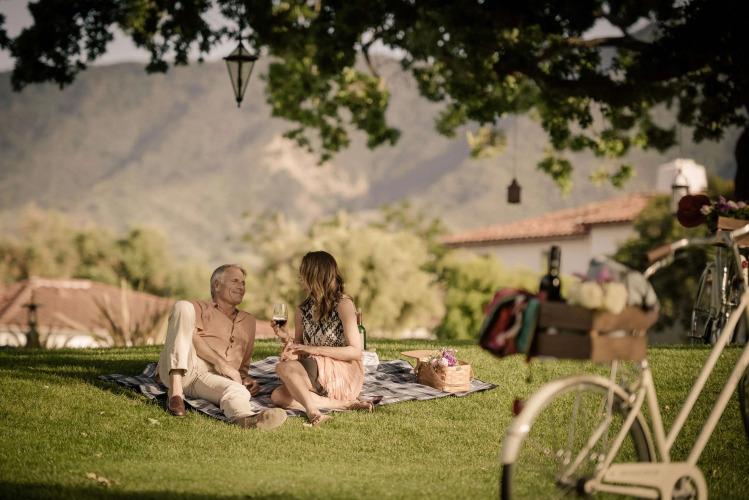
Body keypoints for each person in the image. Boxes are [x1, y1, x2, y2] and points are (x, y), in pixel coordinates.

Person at [157, 264, 287, 430]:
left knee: (238, 391)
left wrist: (244, 379)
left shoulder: (248, 321)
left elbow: (243, 364)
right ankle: (175, 393)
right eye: (235, 281)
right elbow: (188, 337)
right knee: (182, 306)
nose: (241, 287)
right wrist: (221, 363)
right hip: (186, 366)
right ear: (217, 285)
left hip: (211, 378)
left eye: (243, 283)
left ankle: (247, 419)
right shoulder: (197, 307)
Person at [271, 251, 373, 427]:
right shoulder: (301, 310)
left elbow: (356, 352)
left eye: (303, 272)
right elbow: (300, 349)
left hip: (342, 372)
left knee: (282, 368)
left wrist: (315, 350)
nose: (299, 277)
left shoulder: (343, 304)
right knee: (278, 396)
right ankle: (344, 404)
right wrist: (285, 338)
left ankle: (313, 413)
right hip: (316, 371)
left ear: (314, 274)